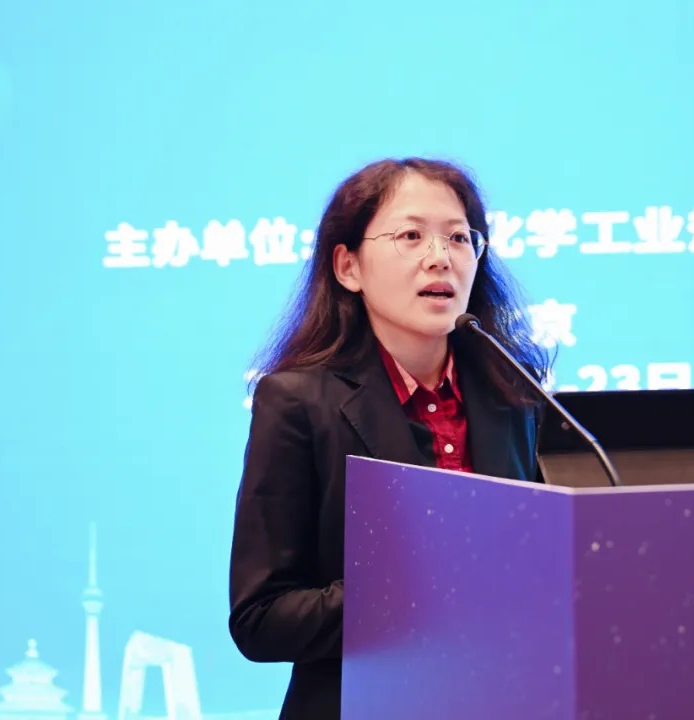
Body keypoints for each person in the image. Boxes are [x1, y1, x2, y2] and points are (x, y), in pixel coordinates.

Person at [226, 157, 552, 719]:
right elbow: (261, 618)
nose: (440, 257)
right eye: (411, 236)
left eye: (459, 238)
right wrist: (413, 597)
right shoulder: (299, 403)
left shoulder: (514, 397)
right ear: (348, 266)